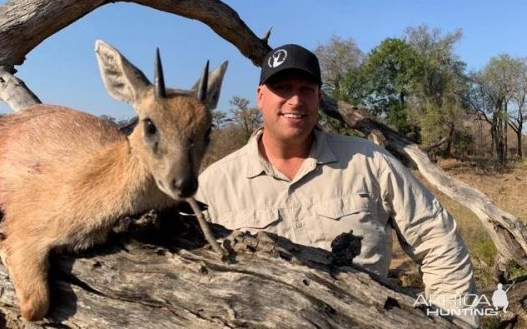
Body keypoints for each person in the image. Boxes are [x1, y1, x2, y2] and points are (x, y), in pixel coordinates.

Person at [196, 44, 478, 326]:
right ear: (260, 97)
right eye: (282, 88)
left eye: (306, 89)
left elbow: (438, 241)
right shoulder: (213, 185)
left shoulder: (370, 162)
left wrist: (453, 320)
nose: (295, 100)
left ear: (319, 97)